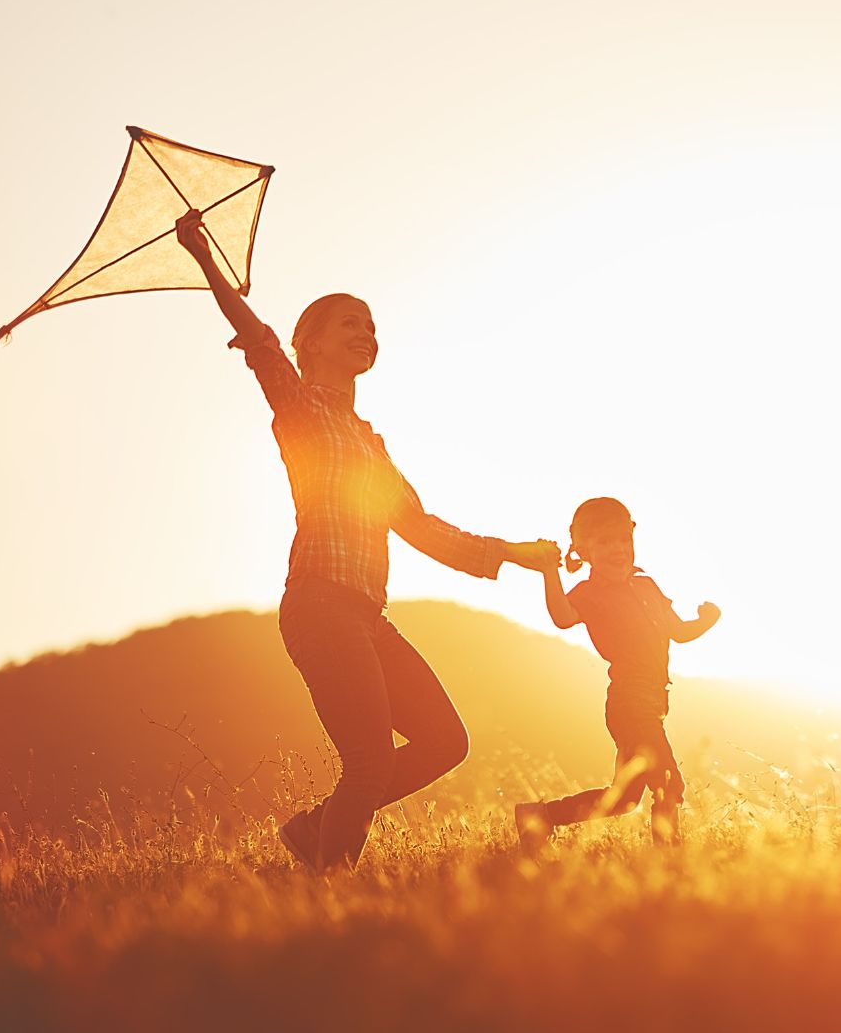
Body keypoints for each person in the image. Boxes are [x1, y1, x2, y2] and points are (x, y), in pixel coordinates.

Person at [174, 210, 558, 872]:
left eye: (372, 326)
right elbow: (258, 340)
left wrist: (516, 555)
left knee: (444, 741)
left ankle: (315, 830)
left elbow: (423, 528)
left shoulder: (371, 444)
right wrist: (206, 258)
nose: (367, 333)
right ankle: (331, 883)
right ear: (309, 344)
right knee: (371, 762)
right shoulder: (300, 411)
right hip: (320, 608)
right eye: (349, 322)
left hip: (366, 617)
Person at [515, 497, 720, 849]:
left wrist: (705, 621)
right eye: (604, 541)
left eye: (623, 540)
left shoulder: (647, 586)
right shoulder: (591, 592)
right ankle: (670, 860)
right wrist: (550, 572)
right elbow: (563, 616)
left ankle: (541, 817)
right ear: (583, 550)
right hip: (630, 705)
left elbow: (679, 631)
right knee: (668, 784)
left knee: (624, 800)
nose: (617, 549)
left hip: (653, 702)